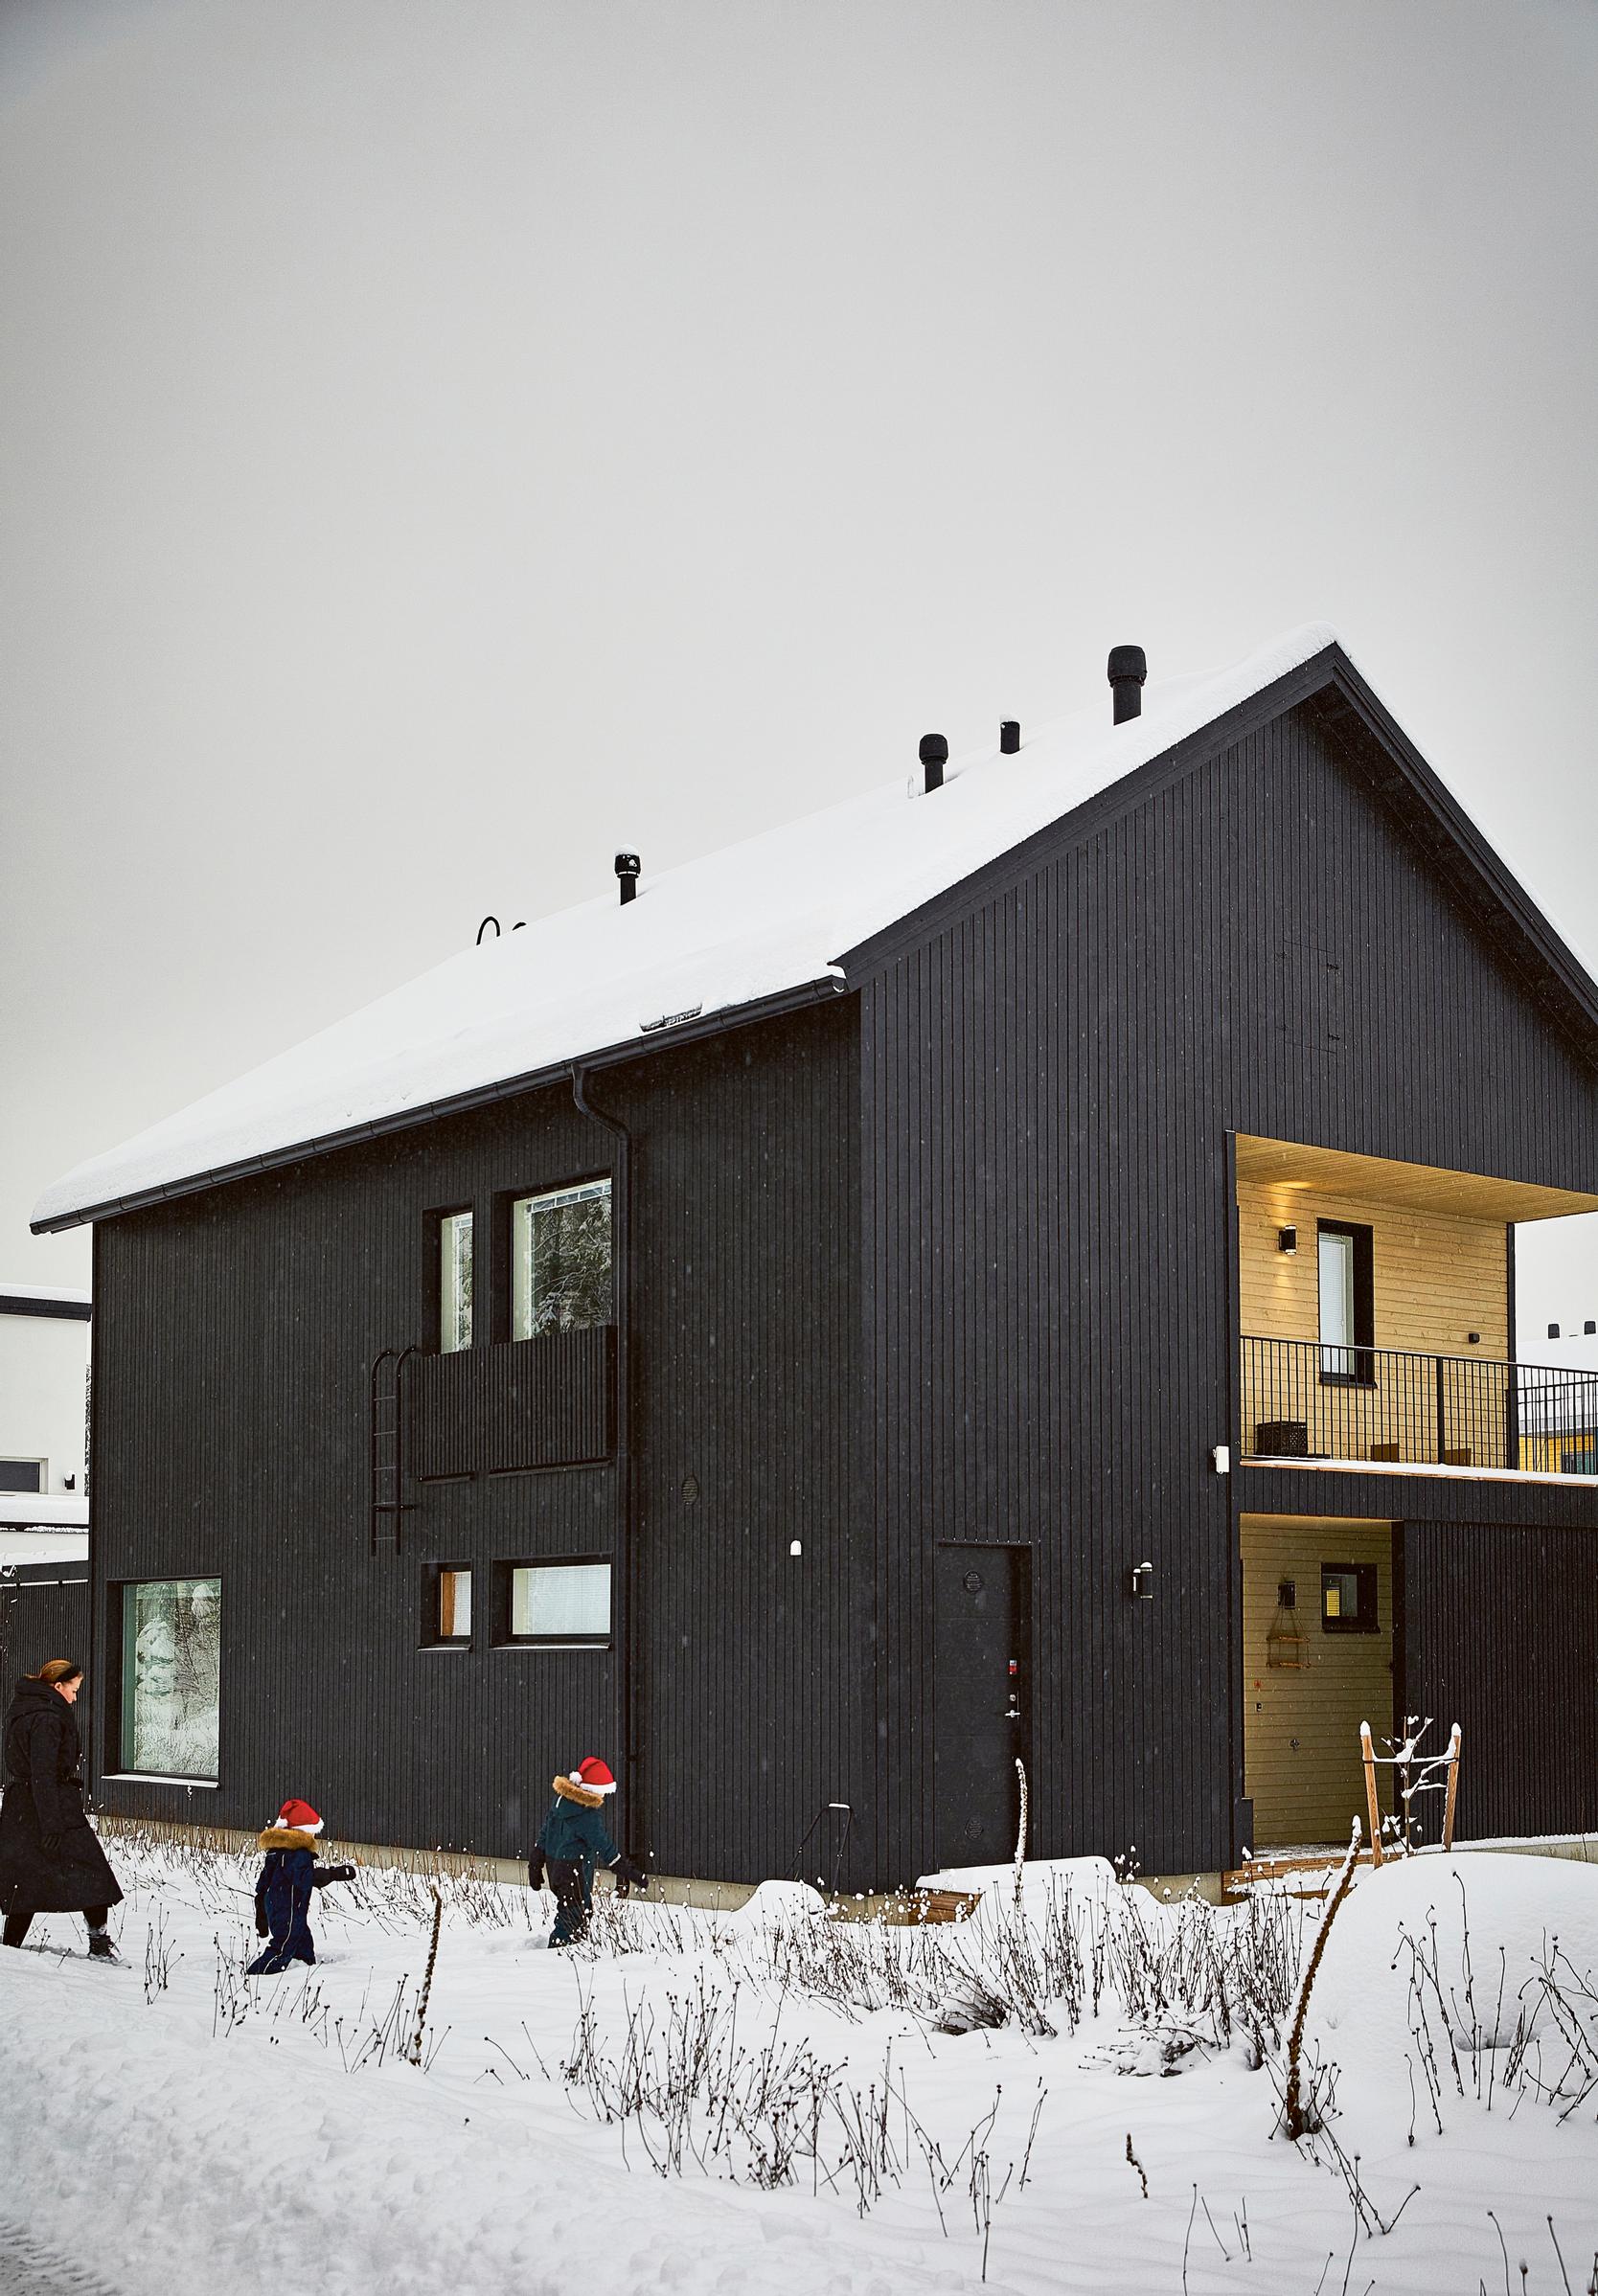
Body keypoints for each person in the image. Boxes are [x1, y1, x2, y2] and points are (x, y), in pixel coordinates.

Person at [0, 1659, 124, 1958]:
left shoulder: (25, 1709)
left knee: (25, 1881)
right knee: (92, 1873)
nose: (75, 1697)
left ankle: (10, 1949)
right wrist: (52, 1824)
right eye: (74, 1689)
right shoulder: (46, 1718)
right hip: (50, 1806)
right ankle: (99, 1945)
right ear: (57, 1686)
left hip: (24, 1807)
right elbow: (43, 1774)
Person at [529, 1756, 648, 1947]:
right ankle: (557, 1956)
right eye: (603, 1793)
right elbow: (604, 1847)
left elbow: (545, 1833)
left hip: (555, 1867)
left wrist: (536, 1860)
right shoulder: (587, 1815)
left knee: (580, 1911)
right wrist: (628, 1871)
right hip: (574, 1871)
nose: (603, 1798)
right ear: (593, 1790)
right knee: (572, 1917)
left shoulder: (561, 1802)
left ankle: (577, 1951)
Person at [246, 1798, 355, 1974]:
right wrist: (334, 1874)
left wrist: (262, 1908)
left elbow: (264, 1882)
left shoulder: (276, 1851)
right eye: (312, 1832)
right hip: (288, 1910)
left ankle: (305, 1969)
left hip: (282, 1908)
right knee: (282, 1946)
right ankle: (256, 1974)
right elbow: (306, 1878)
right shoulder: (297, 1854)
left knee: (302, 1941)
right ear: (303, 1832)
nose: (314, 1837)